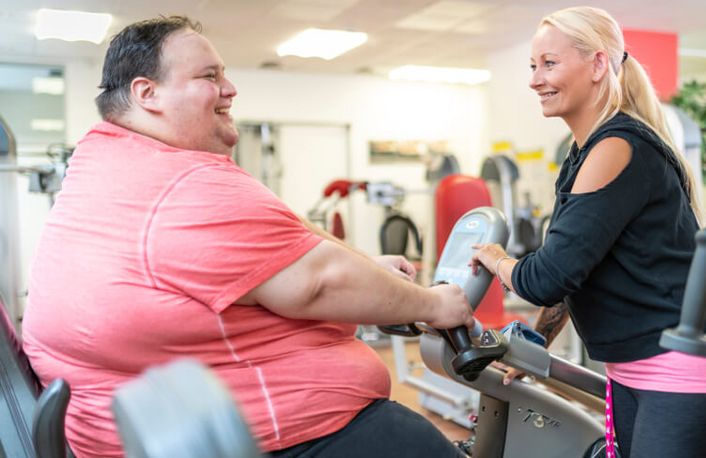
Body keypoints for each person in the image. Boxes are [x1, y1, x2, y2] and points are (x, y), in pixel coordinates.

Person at [22, 16, 471, 458]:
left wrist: (371, 270)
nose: (230, 89)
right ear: (147, 93)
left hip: (131, 425)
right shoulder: (185, 182)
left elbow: (288, 240)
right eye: (208, 76)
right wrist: (435, 305)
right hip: (267, 434)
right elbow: (318, 281)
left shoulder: (110, 163)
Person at [471, 7, 706, 458]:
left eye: (550, 63)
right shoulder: (585, 154)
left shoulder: (618, 146)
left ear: (599, 64)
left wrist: (496, 259)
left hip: (683, 368)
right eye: (533, 65)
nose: (535, 79)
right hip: (633, 366)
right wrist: (538, 342)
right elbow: (576, 265)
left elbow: (545, 279)